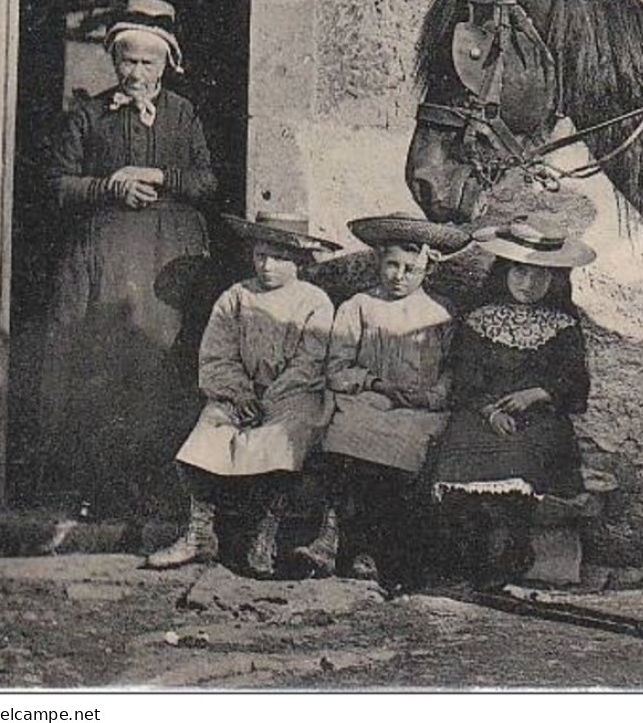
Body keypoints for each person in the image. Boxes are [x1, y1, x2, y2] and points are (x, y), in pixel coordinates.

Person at [37, 0, 220, 519]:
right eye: (128, 61)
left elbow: (208, 182)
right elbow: (57, 185)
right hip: (106, 256)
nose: (137, 73)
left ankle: (160, 495)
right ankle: (99, 491)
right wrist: (109, 186)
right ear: (114, 62)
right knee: (102, 367)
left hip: (166, 256)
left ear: (166, 64)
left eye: (148, 62)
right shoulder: (89, 114)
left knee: (158, 365)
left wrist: (162, 177)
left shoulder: (183, 115)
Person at [144, 213, 340, 576]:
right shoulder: (237, 297)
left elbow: (311, 361)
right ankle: (199, 532)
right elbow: (218, 353)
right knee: (208, 432)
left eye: (279, 258)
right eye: (260, 256)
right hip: (241, 394)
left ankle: (265, 532)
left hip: (294, 395)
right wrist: (238, 392)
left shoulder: (314, 302)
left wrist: (270, 399)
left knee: (283, 437)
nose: (267, 266)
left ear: (298, 260)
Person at [293, 213, 470, 587]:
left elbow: (455, 368)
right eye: (392, 265)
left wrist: (434, 394)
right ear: (378, 262)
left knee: (405, 444)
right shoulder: (358, 306)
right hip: (368, 398)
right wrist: (374, 383)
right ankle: (333, 536)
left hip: (419, 408)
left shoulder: (441, 312)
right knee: (346, 430)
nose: (399, 276)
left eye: (410, 268)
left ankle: (375, 549)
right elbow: (337, 367)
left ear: (427, 270)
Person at [425, 219, 595, 589]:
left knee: (523, 456)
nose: (527, 284)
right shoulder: (479, 319)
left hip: (540, 419)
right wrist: (490, 410)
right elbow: (465, 376)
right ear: (505, 270)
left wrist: (536, 393)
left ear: (555, 278)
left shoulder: (563, 324)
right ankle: (469, 557)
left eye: (539, 275)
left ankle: (513, 553)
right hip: (481, 413)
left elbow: (576, 383)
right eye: (520, 272)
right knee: (458, 450)